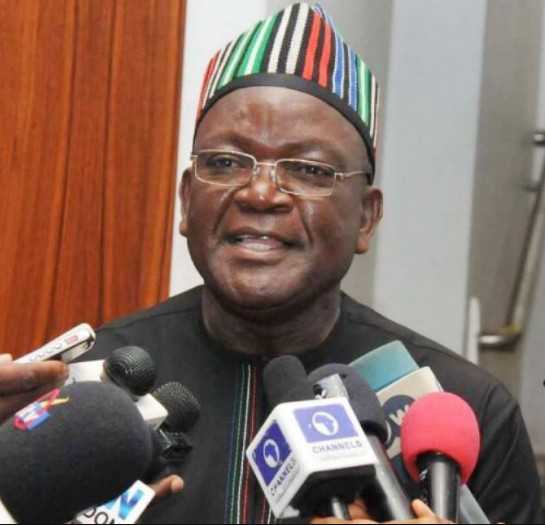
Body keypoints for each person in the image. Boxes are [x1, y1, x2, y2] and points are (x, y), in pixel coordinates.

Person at [1, 3, 542, 524]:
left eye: (309, 170)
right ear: (187, 201)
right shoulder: (86, 397)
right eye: (225, 162)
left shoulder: (463, 414)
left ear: (366, 218)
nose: (260, 193)